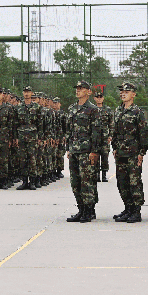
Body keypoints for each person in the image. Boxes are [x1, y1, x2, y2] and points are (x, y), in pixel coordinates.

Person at [111, 82, 148, 223]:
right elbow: (114, 132)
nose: (123, 93)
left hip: (133, 153)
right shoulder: (118, 111)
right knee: (122, 182)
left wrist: (141, 152)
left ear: (133, 94)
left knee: (134, 182)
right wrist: (114, 147)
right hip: (120, 152)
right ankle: (128, 208)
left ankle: (136, 211)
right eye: (121, 91)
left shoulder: (137, 112)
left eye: (126, 91)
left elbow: (143, 134)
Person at [65, 80, 102, 222]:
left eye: (81, 88)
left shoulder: (93, 110)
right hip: (74, 150)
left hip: (87, 151)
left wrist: (95, 151)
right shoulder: (72, 108)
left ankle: (89, 210)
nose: (78, 91)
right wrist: (69, 148)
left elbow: (96, 132)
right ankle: (81, 209)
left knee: (87, 181)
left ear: (89, 91)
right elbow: (70, 130)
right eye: (77, 88)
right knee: (75, 182)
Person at [15, 87, 43, 190]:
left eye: (28, 92)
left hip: (33, 136)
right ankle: (24, 181)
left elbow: (40, 123)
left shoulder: (37, 107)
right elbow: (15, 123)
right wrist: (15, 137)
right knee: (22, 159)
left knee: (32, 159)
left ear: (31, 93)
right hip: (21, 136)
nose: (26, 94)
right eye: (25, 92)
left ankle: (32, 182)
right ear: (23, 93)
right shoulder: (18, 107)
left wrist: (40, 137)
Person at [93, 89, 114, 182]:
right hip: (95, 137)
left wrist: (111, 135)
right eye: (97, 97)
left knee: (105, 156)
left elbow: (112, 124)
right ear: (94, 99)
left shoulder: (107, 110)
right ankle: (96, 175)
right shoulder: (92, 109)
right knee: (95, 156)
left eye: (100, 97)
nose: (99, 99)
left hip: (105, 137)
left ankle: (104, 175)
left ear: (103, 98)